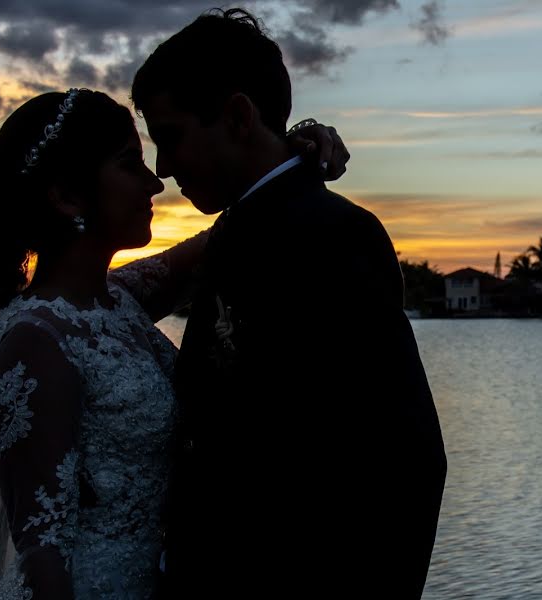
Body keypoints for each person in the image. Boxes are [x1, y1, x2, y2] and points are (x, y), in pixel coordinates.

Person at [0, 88, 348, 599]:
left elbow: (231, 231)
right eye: (129, 164)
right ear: (67, 196)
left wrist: (288, 160)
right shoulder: (36, 338)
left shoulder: (114, 298)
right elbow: (43, 551)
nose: (154, 182)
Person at [131, 9, 448, 598]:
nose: (162, 169)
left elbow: (406, 462)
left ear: (237, 116)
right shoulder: (237, 231)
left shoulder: (336, 236)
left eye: (170, 137)